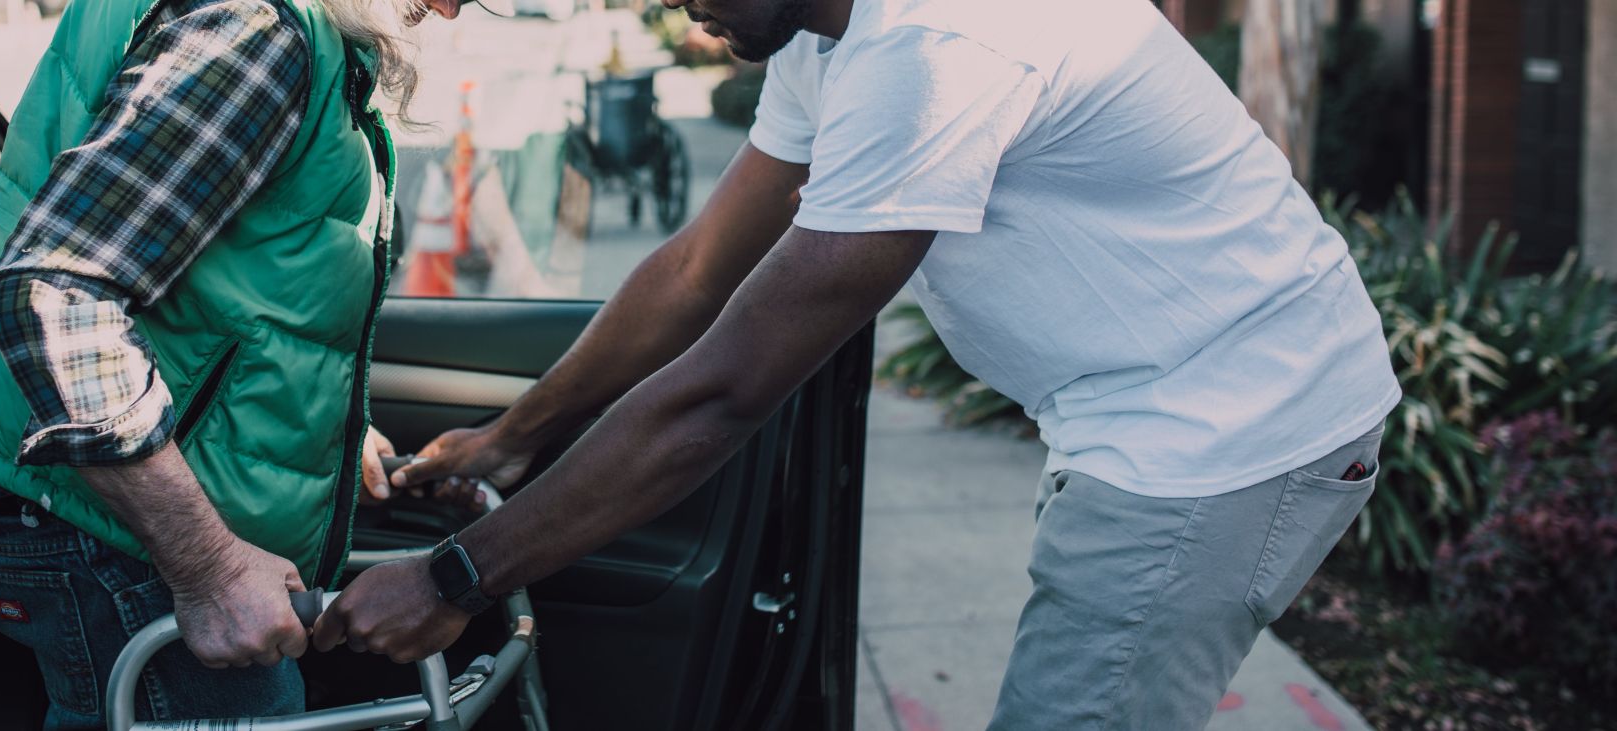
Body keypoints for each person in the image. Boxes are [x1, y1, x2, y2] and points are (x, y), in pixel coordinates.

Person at [319, 0, 1402, 728]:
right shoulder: (826, 38)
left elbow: (726, 388)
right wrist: (514, 434)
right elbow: (699, 269)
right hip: (1146, 410)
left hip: (1230, 430)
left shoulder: (936, 48)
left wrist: (457, 575)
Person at [0, 0, 487, 726]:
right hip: (110, 531)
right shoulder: (254, 29)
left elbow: (227, 284)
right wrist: (209, 567)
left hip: (77, 503)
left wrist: (321, 428)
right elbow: (57, 295)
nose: (447, 7)